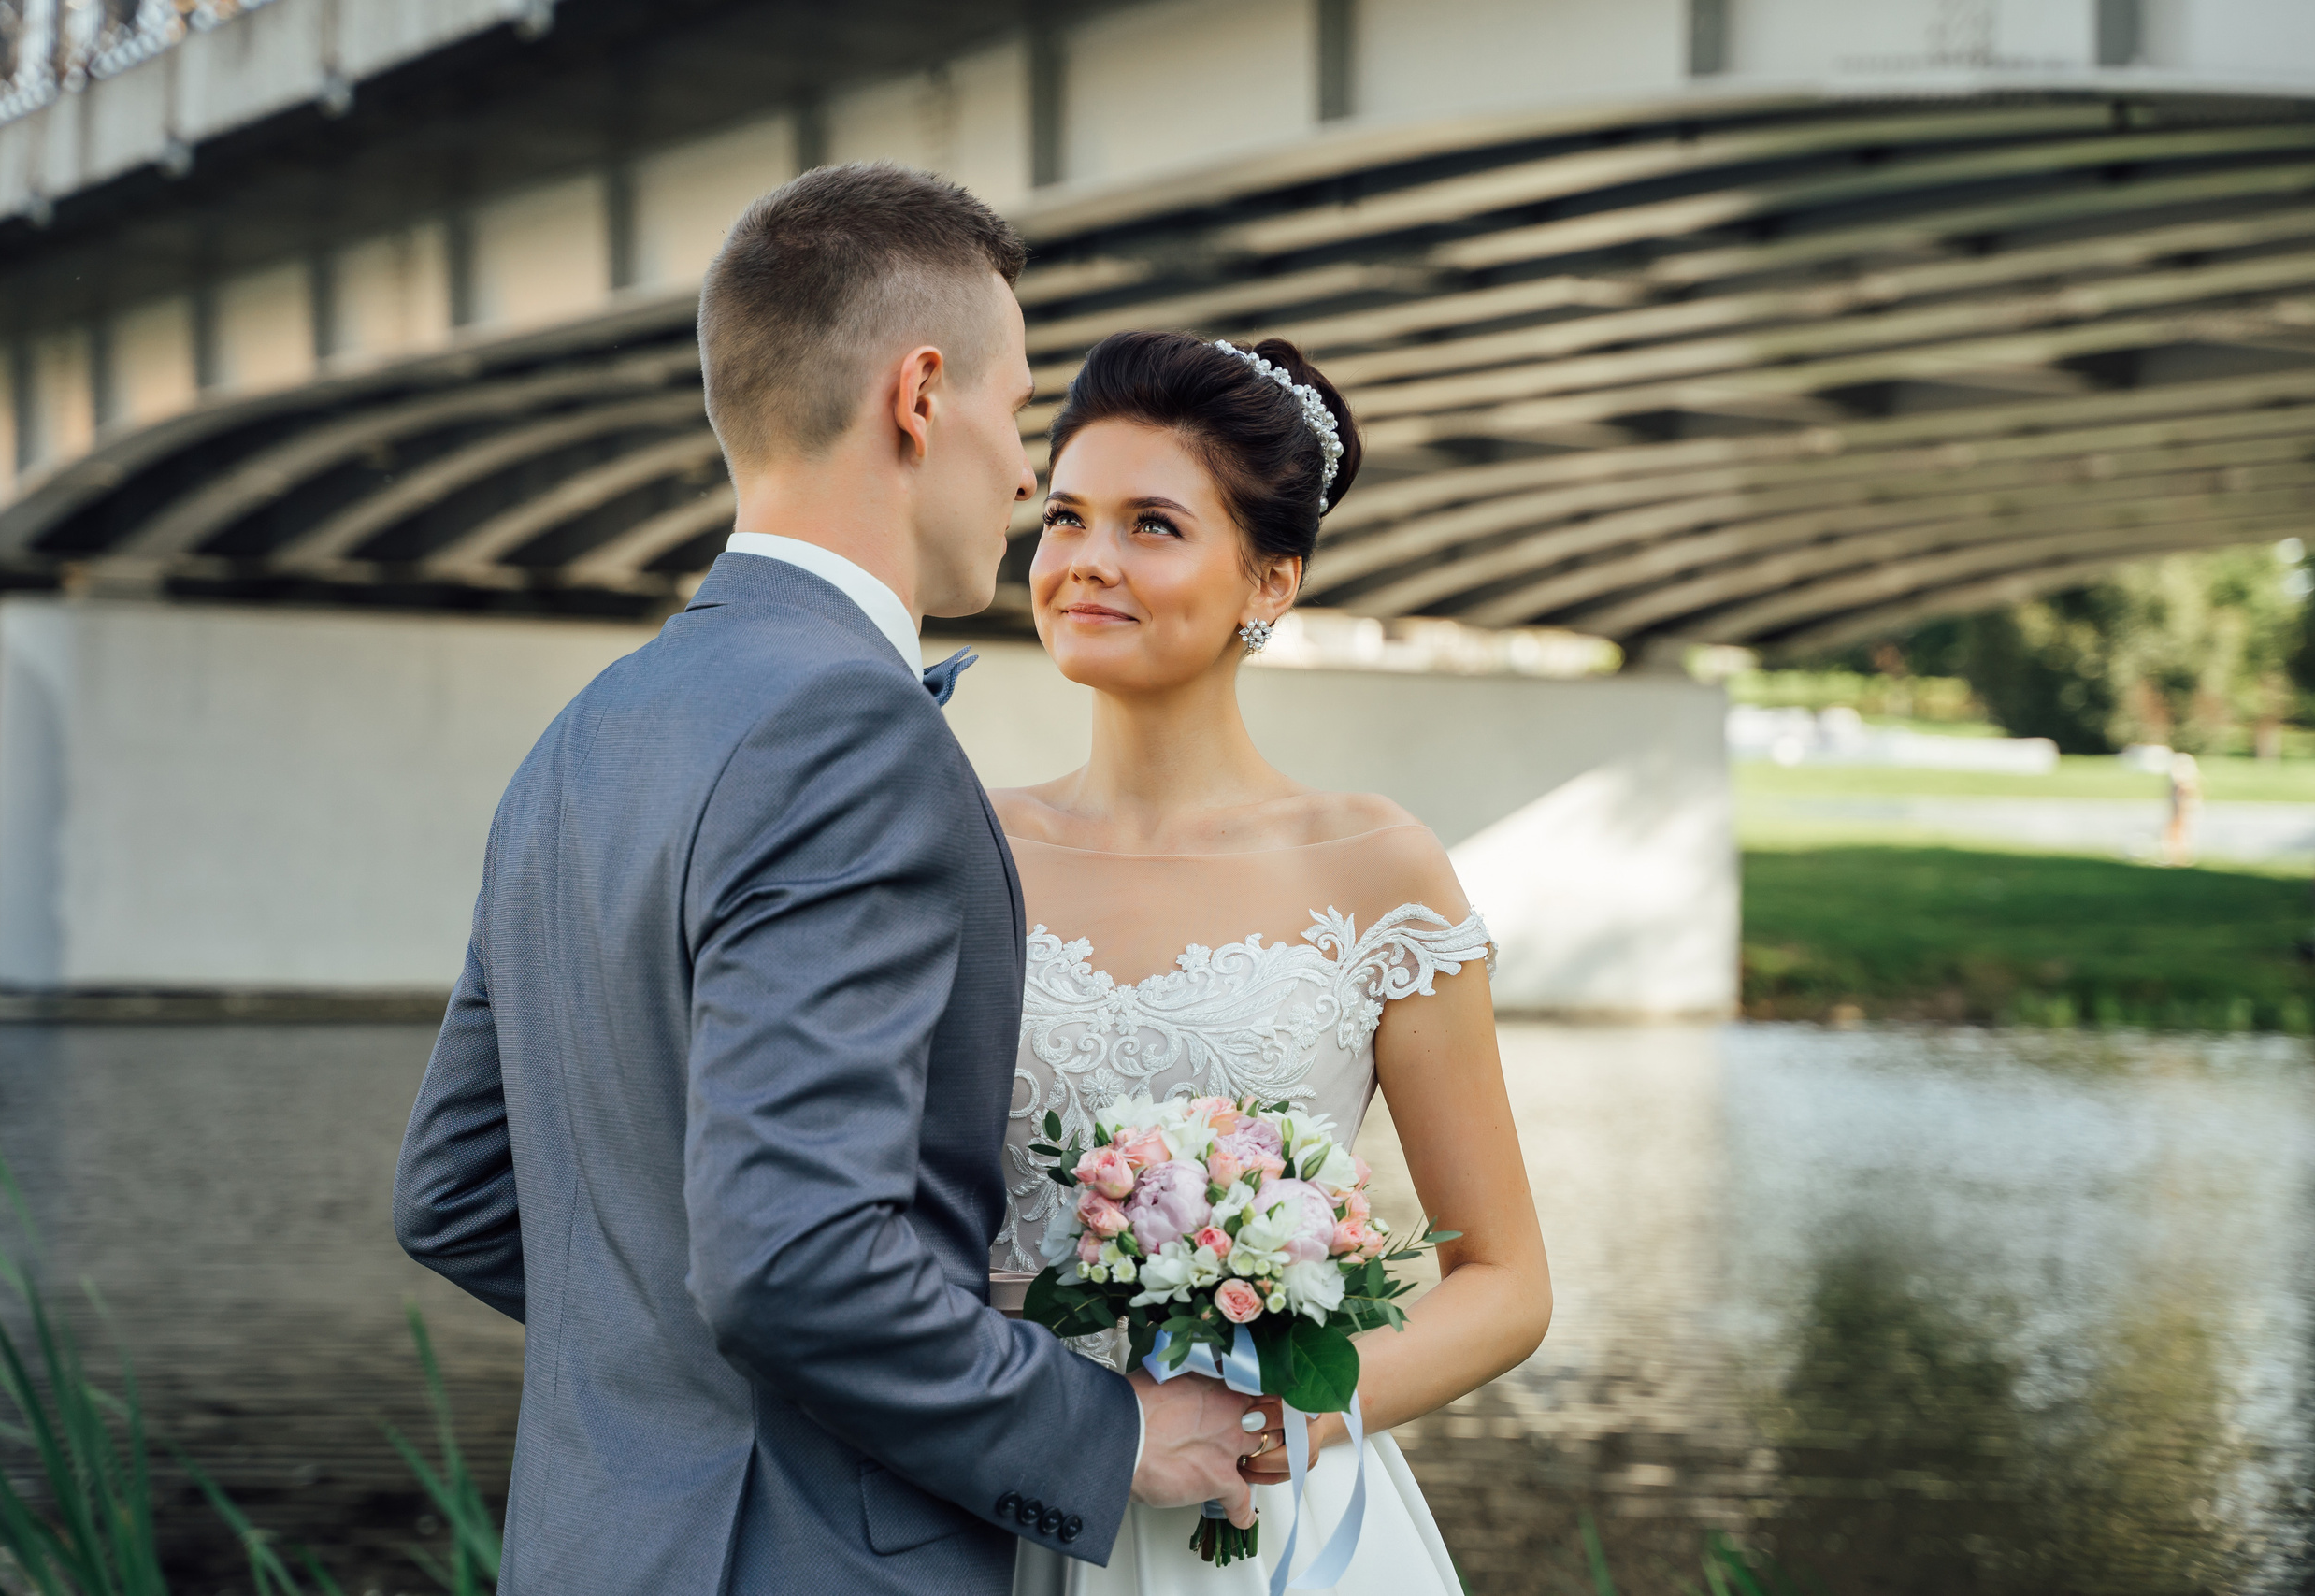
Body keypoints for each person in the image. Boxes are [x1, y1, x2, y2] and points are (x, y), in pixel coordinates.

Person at [392, 165, 1270, 1596]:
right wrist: (1102, 1431)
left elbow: (456, 1195)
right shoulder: (852, 731)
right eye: (1019, 409)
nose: (1028, 475)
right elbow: (790, 1265)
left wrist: (675, 1383)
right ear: (922, 396)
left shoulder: (589, 730)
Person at [993, 331, 1553, 1594]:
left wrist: (1281, 1418)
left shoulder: (1375, 869)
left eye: (1152, 525)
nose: (1086, 560)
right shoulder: (962, 846)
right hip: (995, 1491)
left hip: (1260, 1529)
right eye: (1068, 516)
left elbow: (1507, 1282)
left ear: (1272, 582)